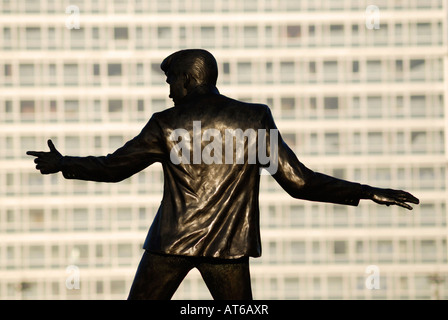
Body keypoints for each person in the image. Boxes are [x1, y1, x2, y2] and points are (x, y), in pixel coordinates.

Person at [27, 49, 419, 300]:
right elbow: (299, 183)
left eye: (170, 82)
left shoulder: (166, 123)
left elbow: (114, 168)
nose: (169, 93)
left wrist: (65, 163)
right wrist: (367, 191)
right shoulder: (253, 120)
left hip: (170, 244)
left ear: (189, 78)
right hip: (227, 248)